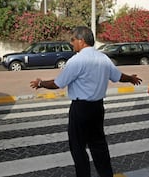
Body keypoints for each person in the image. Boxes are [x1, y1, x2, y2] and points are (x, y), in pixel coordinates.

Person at [29, 26, 142, 177]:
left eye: (73, 40)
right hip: (97, 108)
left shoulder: (77, 60)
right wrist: (131, 79)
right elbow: (118, 76)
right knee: (99, 145)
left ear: (81, 41)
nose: (71, 43)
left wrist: (41, 83)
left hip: (80, 109)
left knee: (78, 147)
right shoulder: (103, 58)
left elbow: (58, 83)